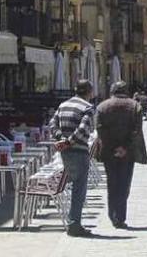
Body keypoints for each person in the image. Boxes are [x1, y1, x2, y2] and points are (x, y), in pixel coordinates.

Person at [96, 81, 147, 229]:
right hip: (128, 152)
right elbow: (136, 130)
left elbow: (100, 130)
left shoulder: (102, 107)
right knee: (124, 183)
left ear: (112, 91)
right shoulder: (134, 106)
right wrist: (124, 147)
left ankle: (113, 216)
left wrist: (113, 148)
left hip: (108, 152)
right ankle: (120, 216)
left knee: (112, 183)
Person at [50, 79, 96, 237]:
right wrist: (69, 141)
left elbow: (52, 124)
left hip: (65, 152)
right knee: (79, 189)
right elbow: (83, 129)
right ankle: (74, 224)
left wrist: (61, 139)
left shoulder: (63, 105)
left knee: (72, 184)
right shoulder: (87, 107)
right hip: (78, 150)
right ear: (89, 92)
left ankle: (73, 221)